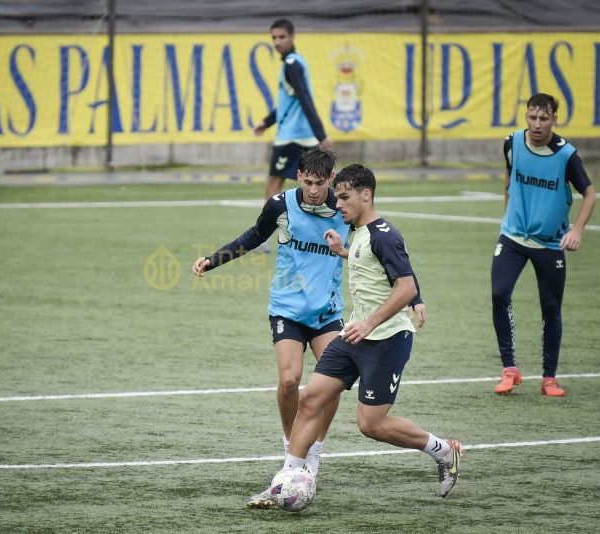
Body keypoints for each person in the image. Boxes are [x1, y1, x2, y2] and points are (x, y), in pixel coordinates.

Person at [247, 164, 459, 504]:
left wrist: (374, 321)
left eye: (344, 197)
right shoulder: (357, 232)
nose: (337, 203)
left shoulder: (384, 234)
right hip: (353, 337)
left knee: (370, 424)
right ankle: (284, 482)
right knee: (312, 398)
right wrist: (344, 253)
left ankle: (444, 451)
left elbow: (405, 286)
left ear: (366, 195)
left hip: (386, 340)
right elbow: (371, 266)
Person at [193, 147, 349, 507]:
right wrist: (211, 260)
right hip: (287, 308)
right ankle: (291, 449)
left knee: (333, 383)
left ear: (330, 180)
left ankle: (313, 456)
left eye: (319, 183)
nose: (312, 189)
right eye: (307, 182)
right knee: (290, 379)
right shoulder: (280, 205)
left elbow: (370, 243)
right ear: (299, 177)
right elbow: (252, 236)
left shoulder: (343, 207)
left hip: (327, 311)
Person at [492, 93, 597, 397]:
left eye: (544, 118)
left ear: (554, 118)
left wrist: (576, 229)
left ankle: (549, 377)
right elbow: (510, 176)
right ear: (526, 116)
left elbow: (589, 194)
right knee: (499, 293)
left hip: (550, 244)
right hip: (512, 237)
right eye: (532, 117)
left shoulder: (566, 156)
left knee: (551, 307)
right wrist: (509, 208)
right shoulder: (512, 143)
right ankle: (510, 369)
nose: (537, 124)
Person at [253, 18, 333, 252]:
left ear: (292, 36)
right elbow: (290, 103)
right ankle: (322, 233)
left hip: (292, 137)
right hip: (303, 135)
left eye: (281, 37)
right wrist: (266, 122)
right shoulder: (296, 62)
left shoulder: (291, 64)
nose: (277, 42)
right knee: (317, 186)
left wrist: (321, 134)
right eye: (274, 38)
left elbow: (305, 100)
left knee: (274, 185)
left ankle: (263, 238)